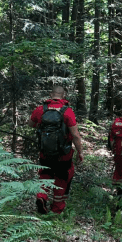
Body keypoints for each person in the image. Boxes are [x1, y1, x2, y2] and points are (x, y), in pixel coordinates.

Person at [28, 85, 84, 214]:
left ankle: (42, 197)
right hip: (63, 154)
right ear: (63, 95)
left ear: (51, 94)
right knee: (62, 178)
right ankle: (56, 209)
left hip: (45, 152)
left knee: (45, 175)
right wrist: (80, 152)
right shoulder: (67, 111)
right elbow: (75, 135)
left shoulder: (40, 109)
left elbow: (30, 125)